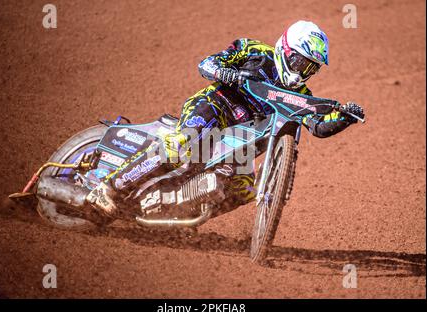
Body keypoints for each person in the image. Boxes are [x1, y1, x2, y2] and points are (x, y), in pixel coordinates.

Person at [88, 20, 365, 216]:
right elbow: (207, 63)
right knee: (184, 143)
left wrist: (345, 118)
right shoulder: (255, 51)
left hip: (240, 143)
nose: (303, 72)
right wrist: (226, 73)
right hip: (215, 108)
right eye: (301, 62)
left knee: (244, 191)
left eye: (311, 68)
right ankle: (108, 188)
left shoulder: (302, 94)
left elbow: (317, 125)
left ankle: (177, 212)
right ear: (286, 50)